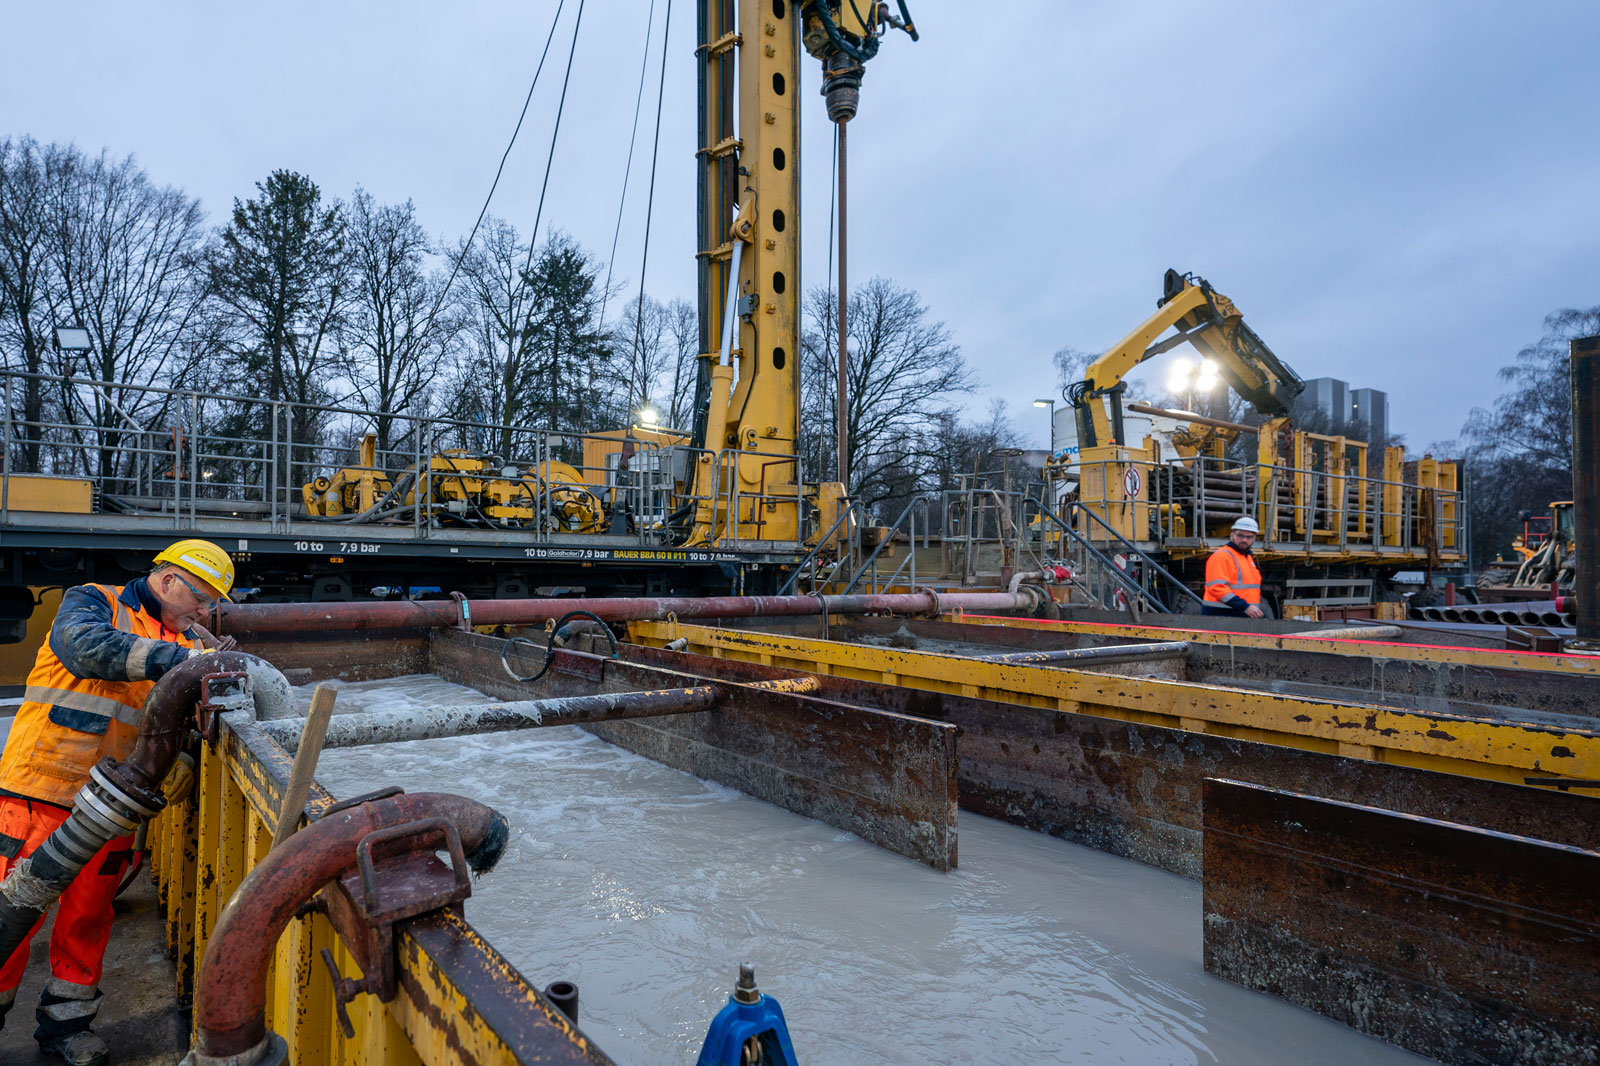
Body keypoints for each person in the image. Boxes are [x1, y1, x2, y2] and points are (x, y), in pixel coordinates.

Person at [0, 540, 236, 1066]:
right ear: (168, 579)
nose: (203, 612)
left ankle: (66, 1025)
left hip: (113, 804)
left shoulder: (179, 636)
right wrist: (187, 661)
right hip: (41, 789)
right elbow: (84, 648)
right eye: (199, 599)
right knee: (13, 915)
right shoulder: (94, 601)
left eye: (211, 604)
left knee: (87, 917)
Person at [1203, 516, 1265, 619]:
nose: (1244, 540)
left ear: (1254, 538)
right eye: (1240, 535)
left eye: (1249, 537)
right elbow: (1216, 587)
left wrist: (1247, 608)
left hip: (1238, 614)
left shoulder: (1247, 558)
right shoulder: (1222, 556)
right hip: (1221, 616)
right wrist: (1245, 607)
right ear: (1232, 535)